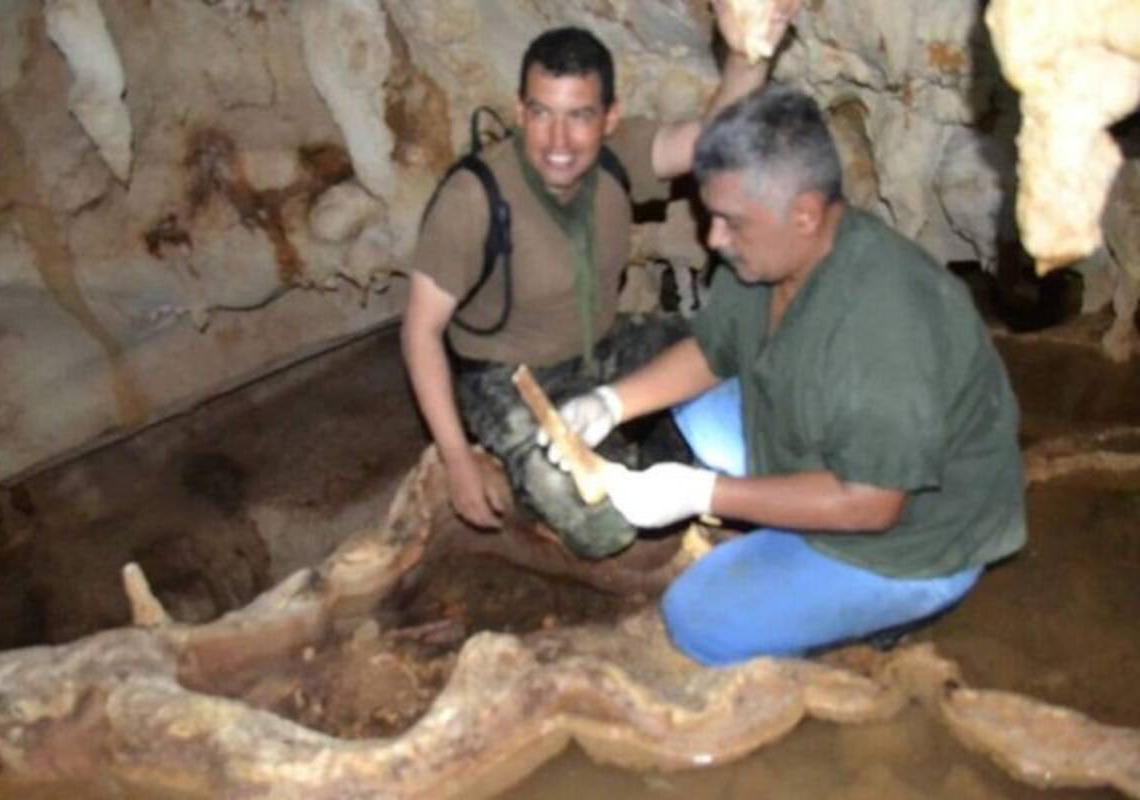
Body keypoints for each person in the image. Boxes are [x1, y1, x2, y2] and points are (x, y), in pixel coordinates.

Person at [555, 86, 1028, 663]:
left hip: (915, 533)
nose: (713, 239)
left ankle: (897, 606)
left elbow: (872, 505)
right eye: (711, 217)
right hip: (839, 446)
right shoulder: (766, 258)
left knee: (698, 620)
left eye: (730, 222)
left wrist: (702, 492)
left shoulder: (887, 325)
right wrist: (611, 401)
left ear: (804, 213)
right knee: (683, 399)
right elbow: (713, 350)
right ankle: (782, 526)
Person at [401, 10, 781, 558]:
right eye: (541, 114)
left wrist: (749, 57)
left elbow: (713, 143)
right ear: (519, 111)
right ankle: (537, 473)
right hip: (510, 377)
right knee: (607, 528)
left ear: (609, 119)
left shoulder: (615, 156)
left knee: (730, 356)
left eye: (579, 116)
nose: (558, 140)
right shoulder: (473, 199)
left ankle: (661, 454)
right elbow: (420, 331)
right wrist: (456, 457)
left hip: (600, 345)